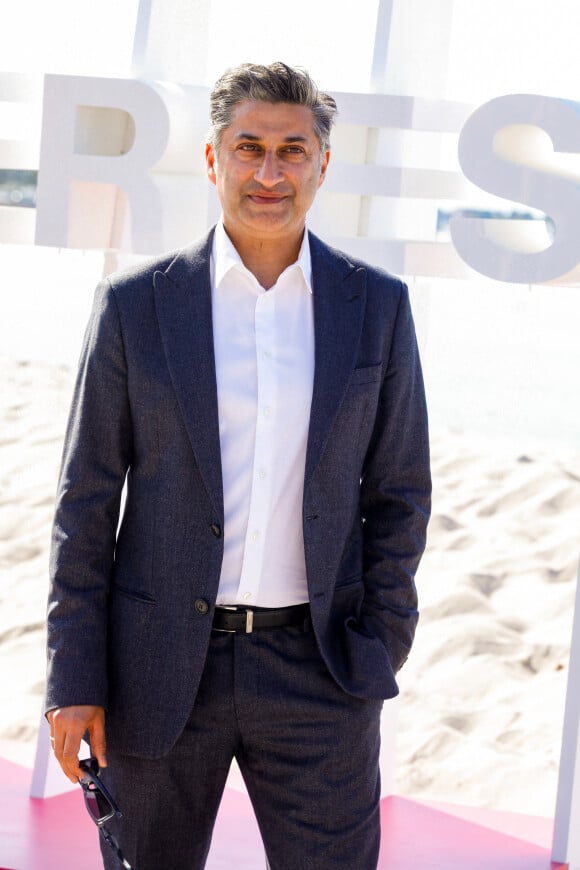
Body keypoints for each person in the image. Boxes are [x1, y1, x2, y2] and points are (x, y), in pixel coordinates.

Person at [45, 61, 431, 870]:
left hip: (321, 669)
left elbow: (399, 492)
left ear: (323, 165)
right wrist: (73, 676)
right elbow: (84, 501)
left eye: (292, 151)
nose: (269, 172)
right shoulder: (134, 306)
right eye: (248, 147)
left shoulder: (378, 308)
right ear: (214, 159)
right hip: (154, 670)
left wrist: (379, 643)